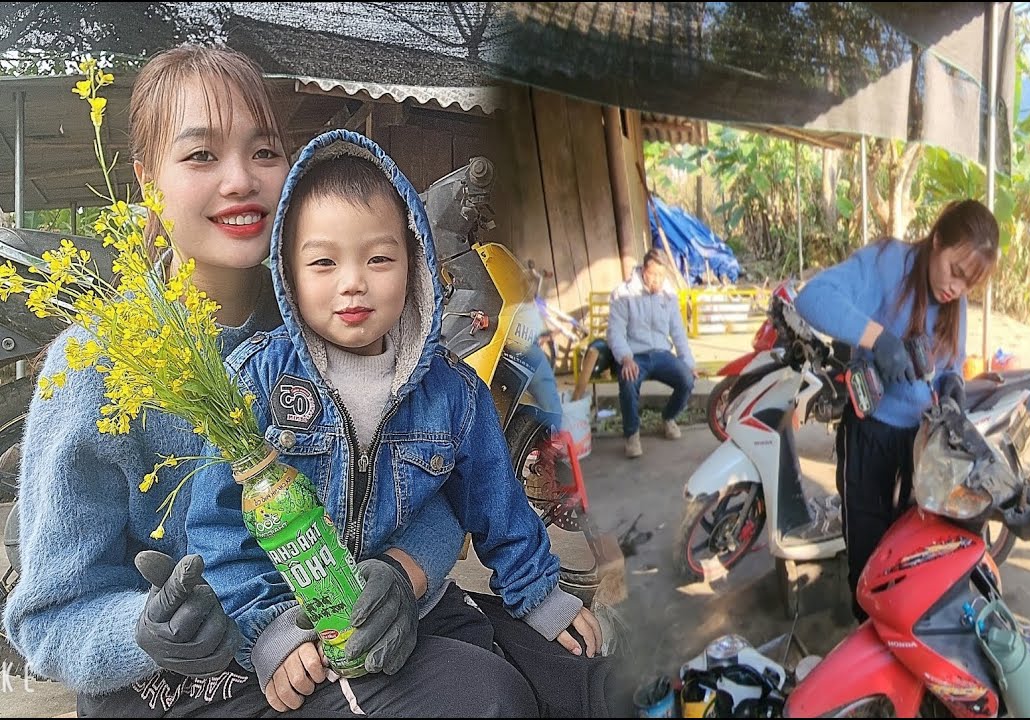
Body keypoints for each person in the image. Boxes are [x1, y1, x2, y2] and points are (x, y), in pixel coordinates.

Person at [2, 46, 537, 718]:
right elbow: (48, 619)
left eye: (263, 152)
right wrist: (143, 629)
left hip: (339, 629)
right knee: (483, 697)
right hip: (189, 682)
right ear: (145, 181)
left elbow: (427, 490)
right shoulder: (99, 365)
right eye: (201, 156)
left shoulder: (331, 323)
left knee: (572, 676)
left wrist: (403, 571)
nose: (240, 181)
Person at [186, 129, 616, 716]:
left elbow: (496, 504)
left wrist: (541, 595)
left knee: (554, 684)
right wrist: (266, 632)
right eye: (323, 262)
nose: (353, 281)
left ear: (414, 264)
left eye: (379, 258)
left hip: (423, 603)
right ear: (287, 271)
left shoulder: (452, 391)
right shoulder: (258, 381)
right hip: (306, 626)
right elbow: (217, 525)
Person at [793, 199, 1000, 621]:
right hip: (870, 430)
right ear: (937, 238)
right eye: (955, 271)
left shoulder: (954, 301)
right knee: (867, 546)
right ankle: (864, 624)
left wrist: (953, 383)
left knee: (910, 550)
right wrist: (879, 339)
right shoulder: (888, 264)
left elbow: (950, 363)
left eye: (968, 284)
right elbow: (813, 297)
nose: (956, 289)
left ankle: (897, 633)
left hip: (921, 440)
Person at [606, 248, 696, 458]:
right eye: (652, 274)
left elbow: (678, 332)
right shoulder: (624, 293)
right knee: (628, 381)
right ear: (643, 270)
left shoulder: (668, 294)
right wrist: (626, 358)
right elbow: (615, 332)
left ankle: (668, 418)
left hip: (662, 354)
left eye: (661, 275)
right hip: (634, 355)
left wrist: (689, 363)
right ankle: (632, 435)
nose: (657, 280)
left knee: (687, 379)